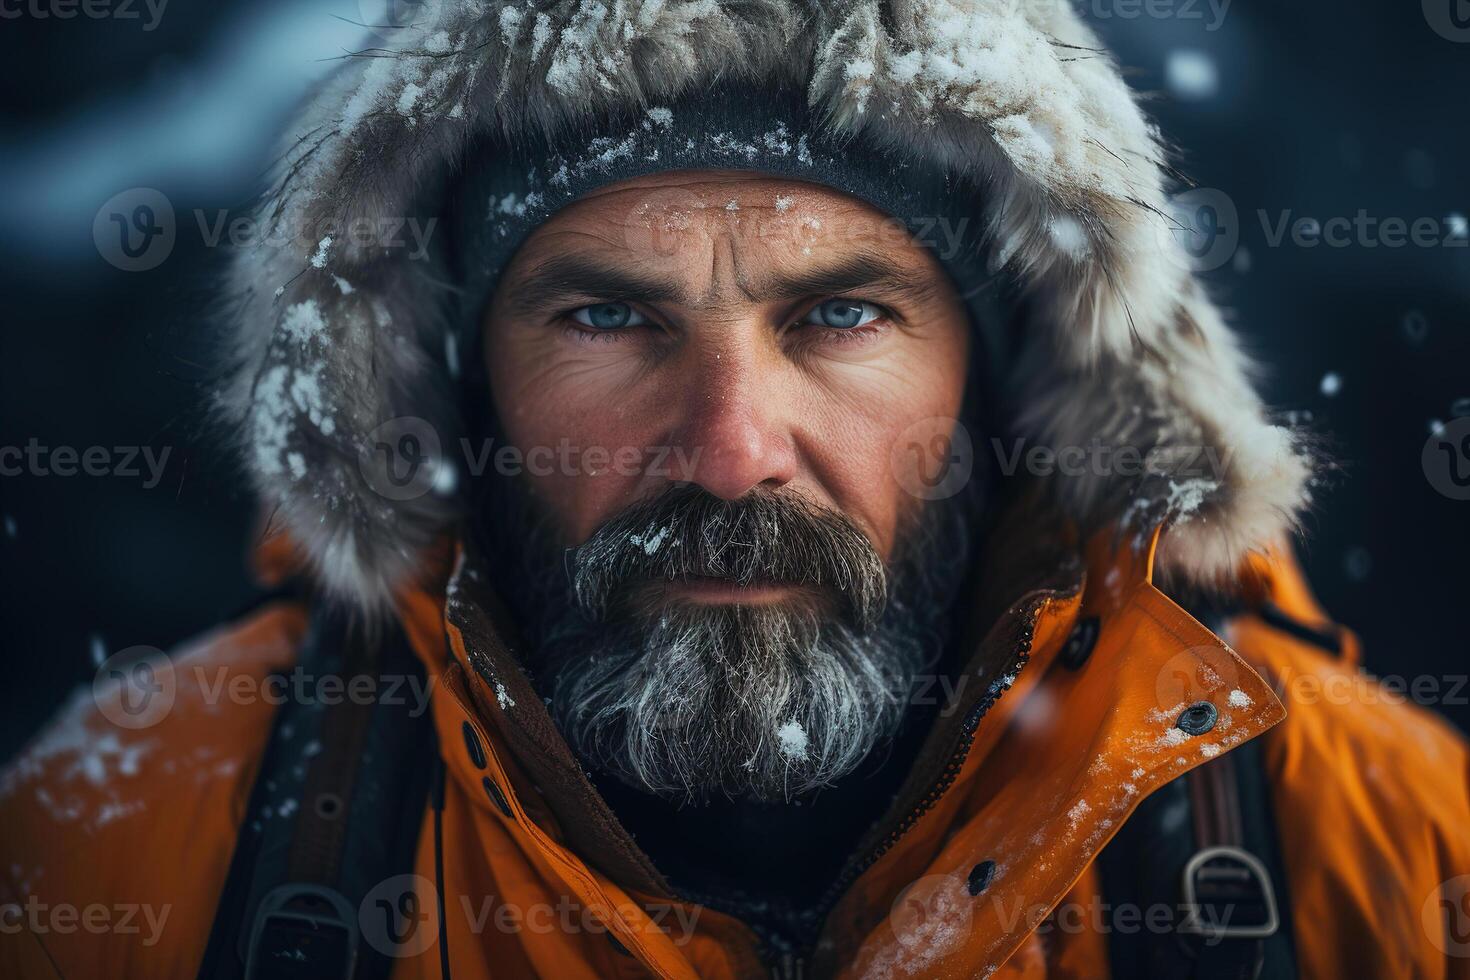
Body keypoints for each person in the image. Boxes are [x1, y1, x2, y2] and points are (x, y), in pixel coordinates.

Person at [3, 2, 1467, 977]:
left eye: (838, 317)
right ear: (447, 386)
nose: (727, 450)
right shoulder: (142, 835)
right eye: (604, 319)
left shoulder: (1366, 836)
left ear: (1010, 386)